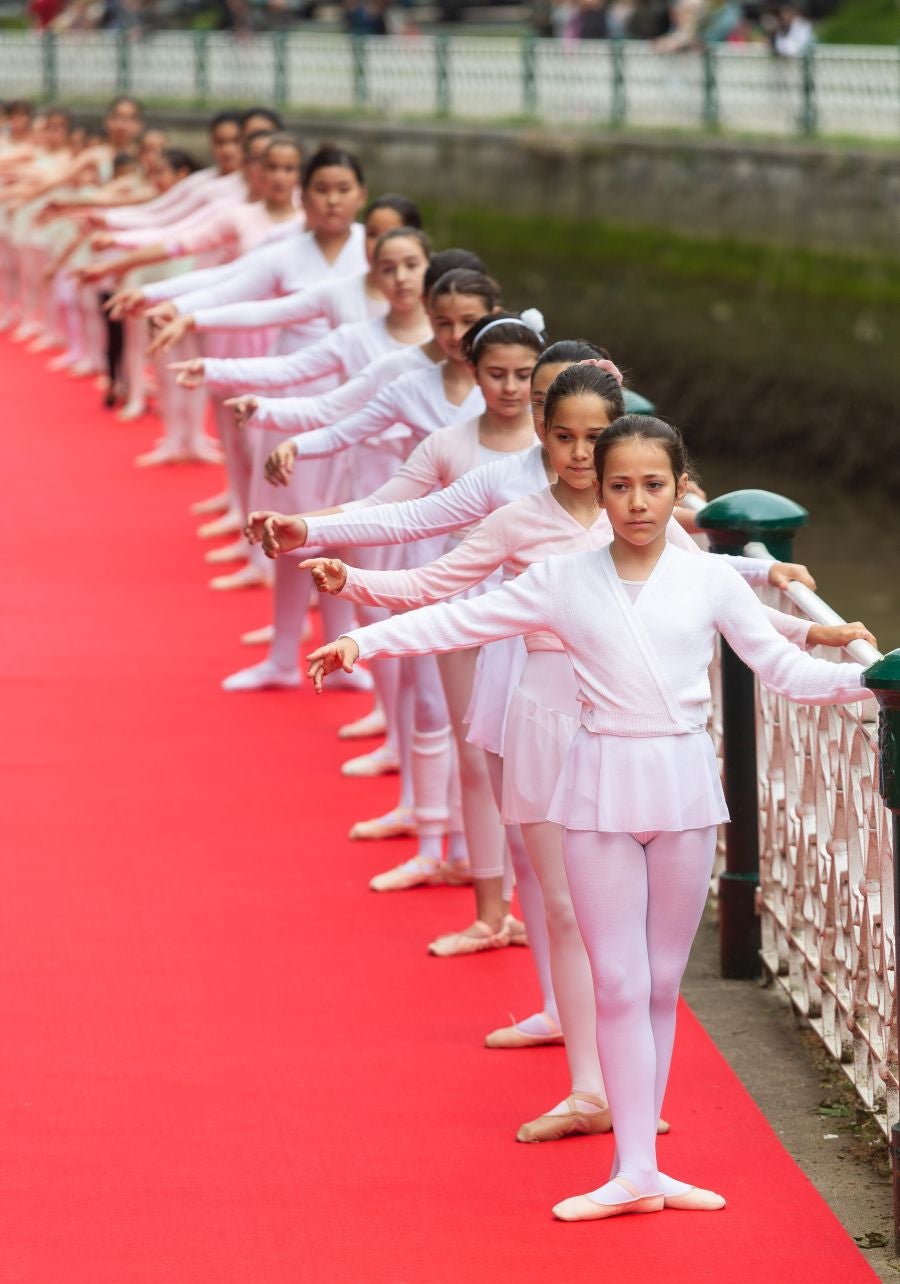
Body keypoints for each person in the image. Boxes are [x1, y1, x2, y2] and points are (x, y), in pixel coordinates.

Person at [308, 405, 873, 1220]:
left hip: (681, 786)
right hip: (599, 784)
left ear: (679, 491)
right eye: (621, 486)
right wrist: (364, 642)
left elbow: (783, 669)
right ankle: (631, 1168)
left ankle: (647, 1169)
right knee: (615, 979)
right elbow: (458, 616)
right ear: (597, 492)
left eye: (653, 485)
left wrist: (870, 679)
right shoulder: (559, 579)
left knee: (659, 982)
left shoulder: (710, 578)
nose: (637, 502)